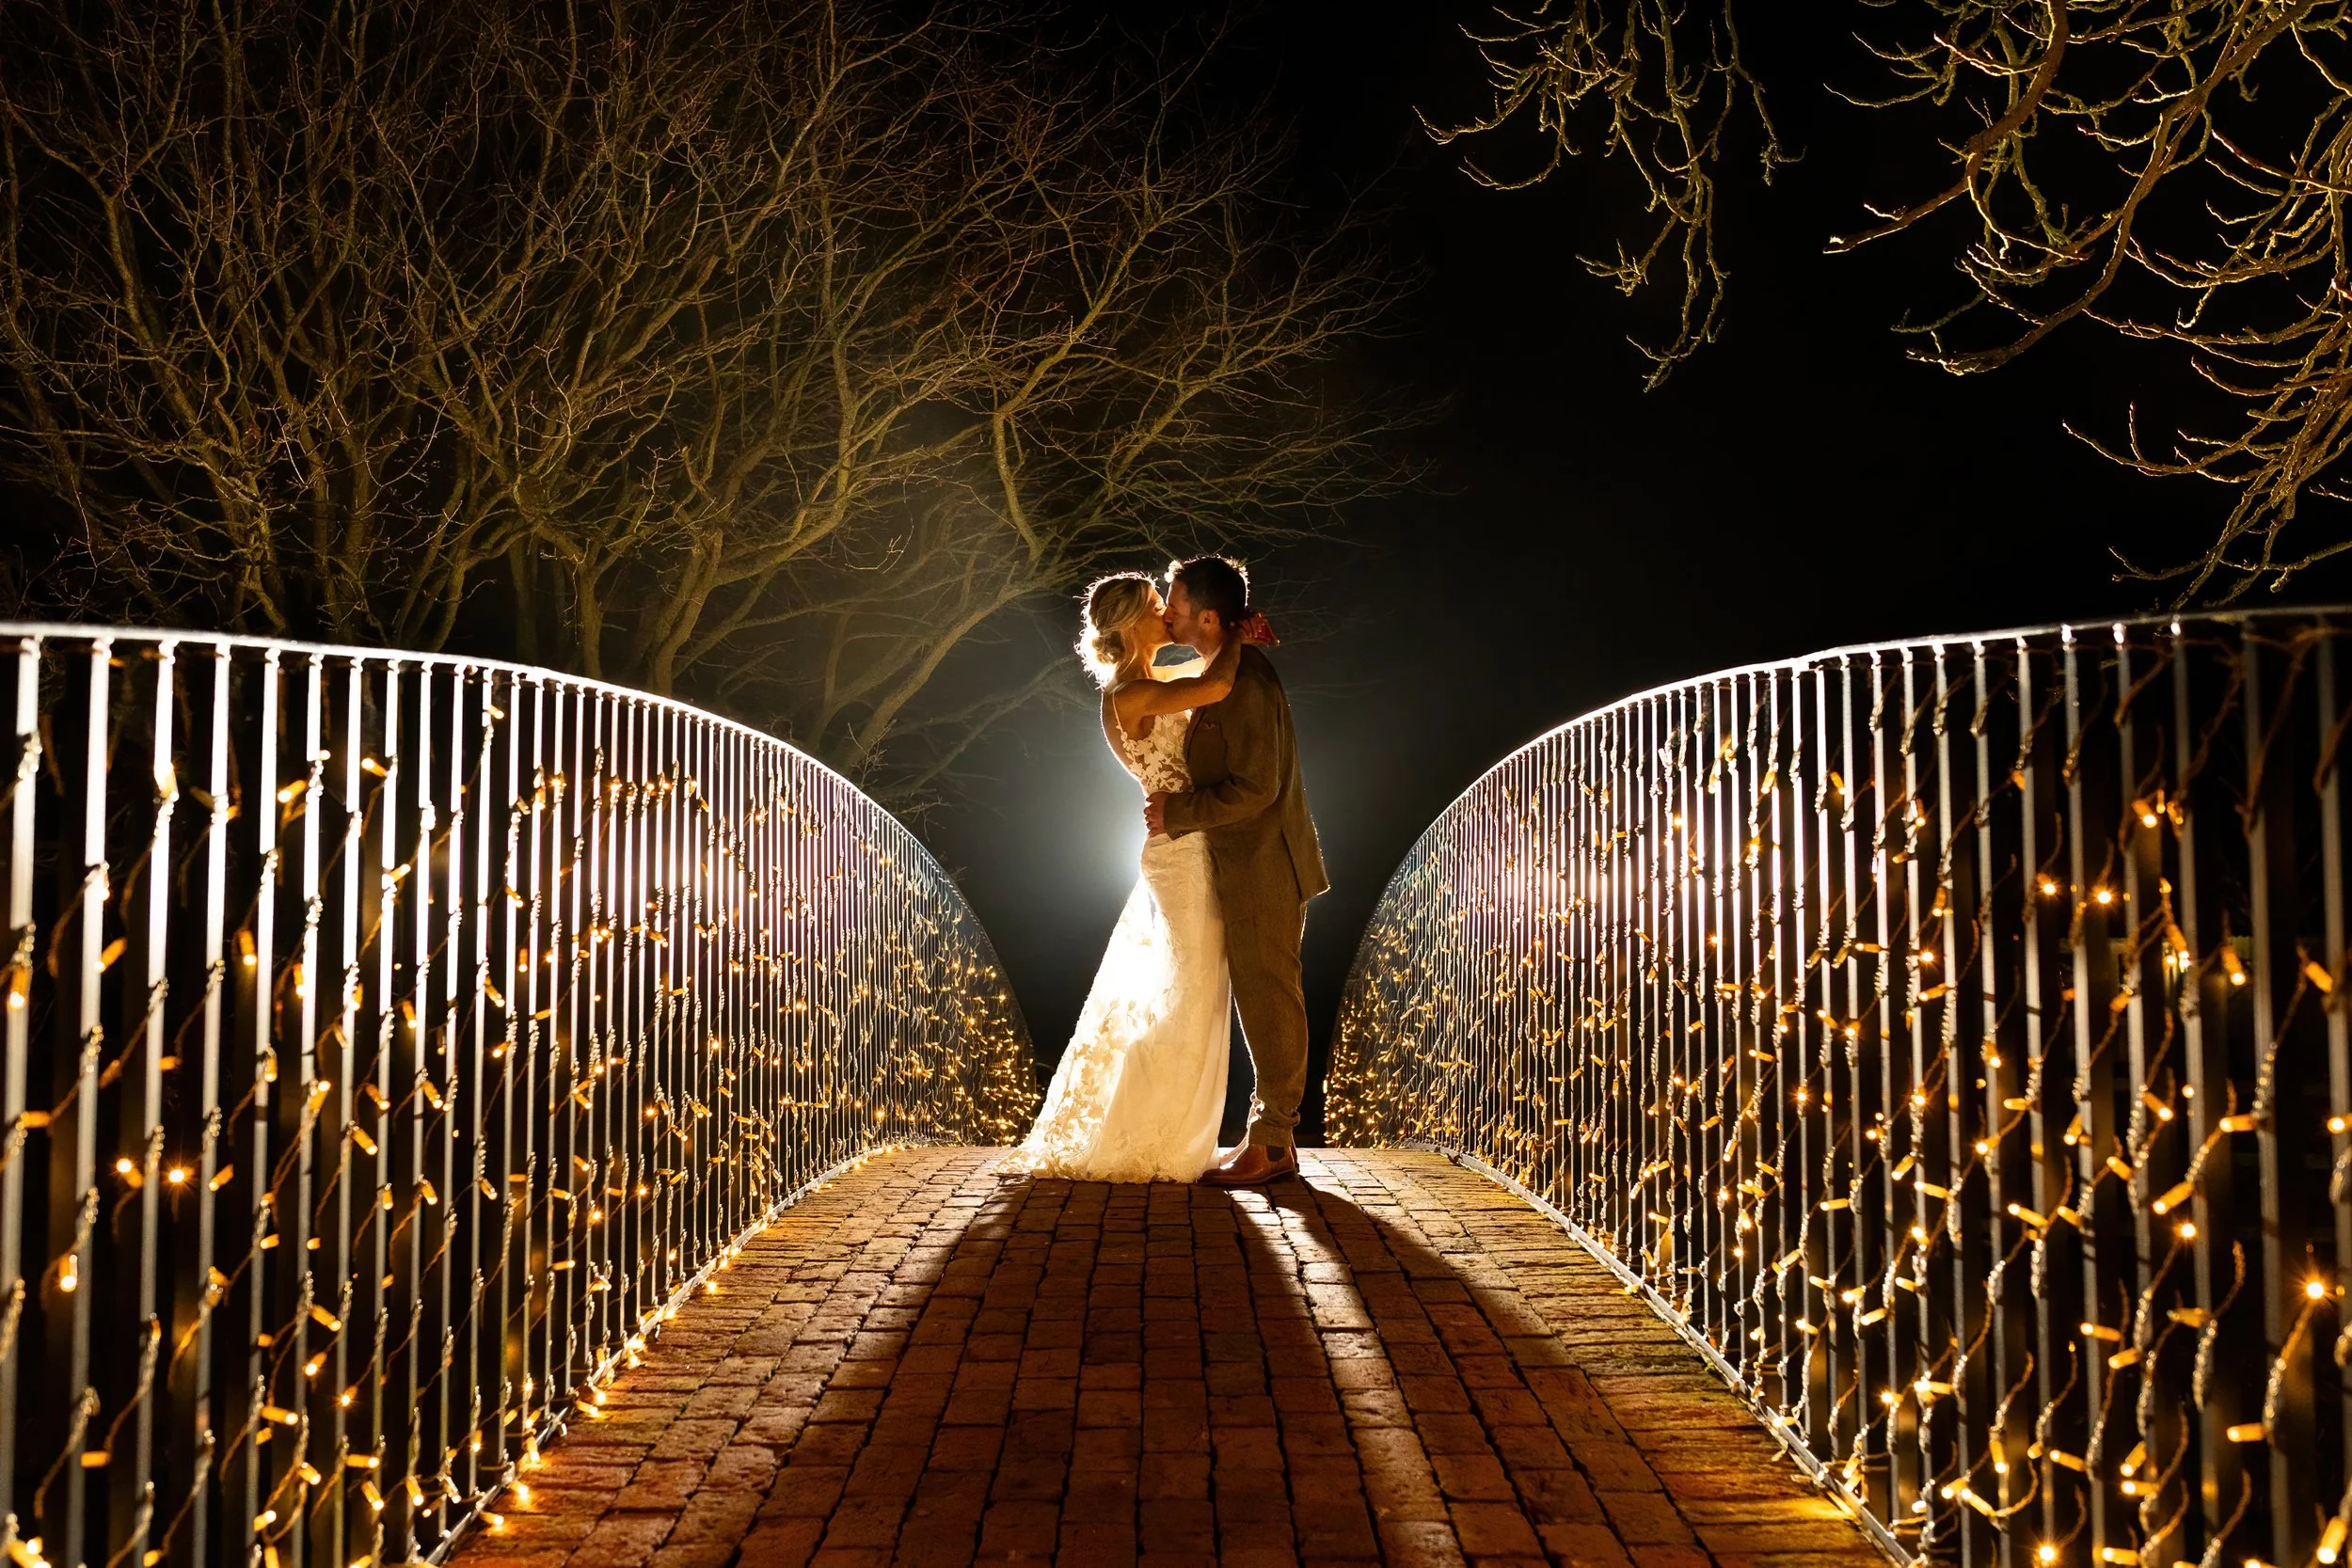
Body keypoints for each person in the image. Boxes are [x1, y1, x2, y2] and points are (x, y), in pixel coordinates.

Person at [1004, 571, 1266, 1181]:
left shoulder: (1153, 679)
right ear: (1129, 625)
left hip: (1186, 843)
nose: (1166, 615)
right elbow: (1220, 684)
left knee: (1190, 992)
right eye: (1156, 606)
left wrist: (1221, 635)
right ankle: (1153, 1136)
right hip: (1181, 853)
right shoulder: (1128, 695)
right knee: (1189, 992)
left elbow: (1202, 679)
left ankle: (1172, 1128)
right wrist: (1237, 633)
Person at [1146, 555, 1327, 1187]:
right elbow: (1151, 668)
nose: (1166, 612)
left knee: (1269, 995)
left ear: (1209, 616)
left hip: (1264, 864)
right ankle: (1267, 1135)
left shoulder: (1248, 682)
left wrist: (1178, 812)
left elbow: (1256, 787)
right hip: (1242, 863)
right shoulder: (1217, 667)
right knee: (1258, 996)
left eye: (1174, 602)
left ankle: (1275, 1141)